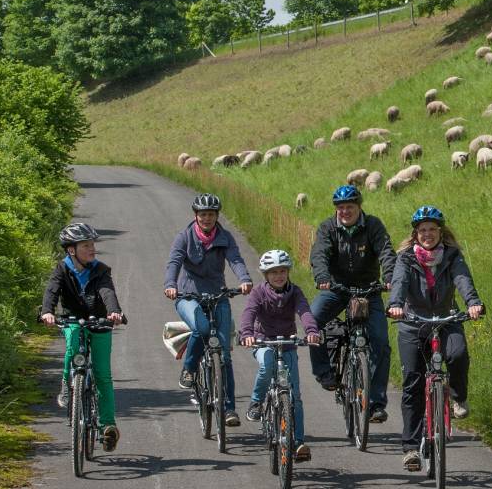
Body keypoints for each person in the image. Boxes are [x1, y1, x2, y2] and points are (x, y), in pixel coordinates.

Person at [386, 206, 485, 472]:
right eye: (422, 230)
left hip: (446, 319)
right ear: (415, 234)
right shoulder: (406, 257)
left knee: (457, 354)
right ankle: (410, 448)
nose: (427, 234)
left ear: (441, 232)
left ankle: (457, 397)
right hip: (413, 322)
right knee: (413, 383)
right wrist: (395, 304)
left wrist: (473, 303)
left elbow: (463, 280)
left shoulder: (452, 256)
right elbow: (399, 282)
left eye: (432, 229)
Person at [308, 185, 397, 424]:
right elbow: (319, 253)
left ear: (359, 207)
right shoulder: (328, 227)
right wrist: (322, 277)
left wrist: (389, 277)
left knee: (380, 341)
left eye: (350, 206)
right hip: (337, 289)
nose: (345, 211)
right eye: (341, 207)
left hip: (369, 290)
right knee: (313, 321)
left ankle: (376, 403)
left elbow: (387, 252)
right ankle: (324, 372)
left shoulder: (373, 226)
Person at [163, 193, 253, 427]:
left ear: (216, 216)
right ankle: (189, 369)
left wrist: (244, 278)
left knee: (224, 353)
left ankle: (230, 409)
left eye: (211, 214)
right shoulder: (184, 237)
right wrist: (170, 285)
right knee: (201, 328)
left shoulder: (225, 237)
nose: (207, 218)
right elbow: (174, 262)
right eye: (203, 214)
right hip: (187, 295)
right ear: (196, 215)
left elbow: (235, 260)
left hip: (217, 295)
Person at [39, 222, 126, 452]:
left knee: (102, 375)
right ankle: (67, 384)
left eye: (92, 244)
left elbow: (107, 292)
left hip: (99, 322)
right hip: (72, 320)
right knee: (72, 343)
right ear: (71, 250)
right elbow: (52, 290)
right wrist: (47, 312)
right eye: (86, 245)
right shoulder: (62, 269)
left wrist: (113, 312)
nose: (92, 249)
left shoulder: (101, 270)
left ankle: (108, 426)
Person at [240, 249, 320, 462]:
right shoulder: (258, 292)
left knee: (296, 396)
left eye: (282, 271)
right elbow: (249, 313)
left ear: (288, 272)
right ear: (265, 274)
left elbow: (304, 312)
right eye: (273, 272)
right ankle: (256, 402)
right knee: (266, 366)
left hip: (287, 345)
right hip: (264, 341)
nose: (279, 275)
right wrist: (247, 334)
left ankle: (299, 442)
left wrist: (311, 332)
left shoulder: (295, 292)